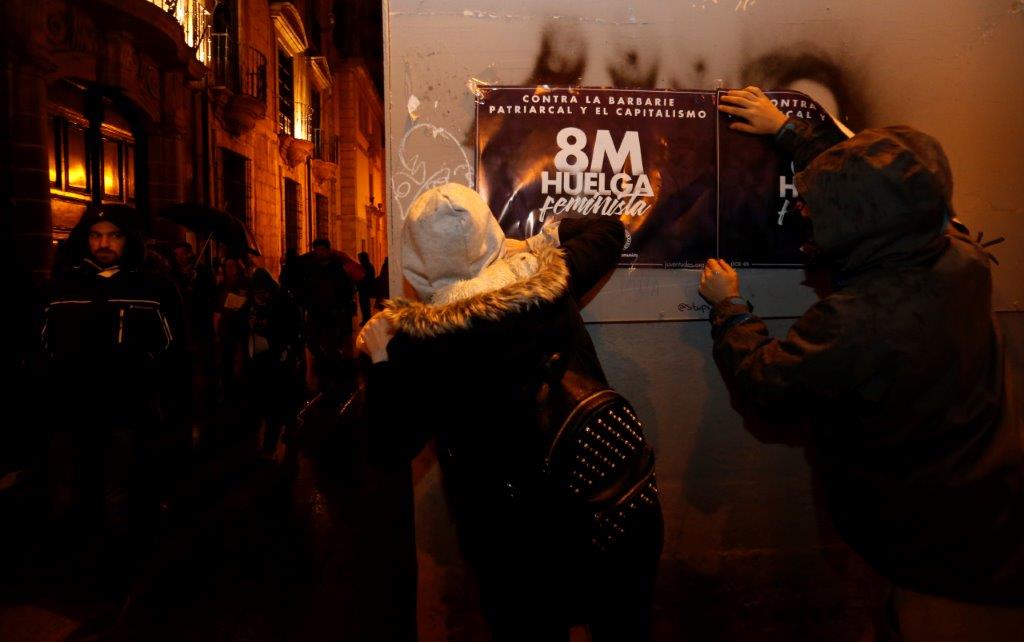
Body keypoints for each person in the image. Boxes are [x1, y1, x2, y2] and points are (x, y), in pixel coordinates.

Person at [704, 87, 1024, 640]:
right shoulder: (963, 255)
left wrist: (729, 307)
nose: (804, 208)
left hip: (935, 550)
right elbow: (892, 185)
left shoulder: (857, 319)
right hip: (992, 503)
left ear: (858, 223)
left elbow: (766, 380)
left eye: (820, 204)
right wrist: (787, 129)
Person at [357, 183, 663, 642]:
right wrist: (542, 239)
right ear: (491, 237)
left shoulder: (419, 349)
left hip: (514, 547)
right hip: (611, 512)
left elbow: (386, 449)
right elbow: (608, 229)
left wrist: (380, 361)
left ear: (419, 262)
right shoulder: (552, 283)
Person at [41, 204, 188, 598]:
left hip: (126, 408)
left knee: (115, 492)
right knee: (65, 492)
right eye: (96, 235)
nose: (104, 243)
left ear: (129, 240)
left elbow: (175, 350)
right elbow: (41, 344)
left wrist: (170, 405)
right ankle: (68, 570)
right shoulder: (64, 285)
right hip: (69, 410)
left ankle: (115, 575)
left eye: (114, 235)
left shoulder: (153, 288)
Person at [356, 251, 376, 325]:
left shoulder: (366, 267)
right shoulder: (368, 266)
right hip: (364, 288)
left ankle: (366, 319)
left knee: (365, 304)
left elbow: (366, 278)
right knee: (364, 304)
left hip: (365, 288)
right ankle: (366, 318)